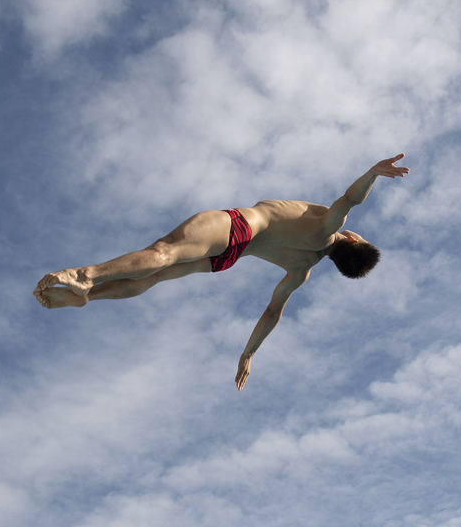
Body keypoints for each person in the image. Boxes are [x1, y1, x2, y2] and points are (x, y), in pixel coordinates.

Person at [34, 154, 409, 390]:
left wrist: (372, 172)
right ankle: (90, 297)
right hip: (228, 259)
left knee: (163, 252)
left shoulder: (327, 225)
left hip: (240, 229)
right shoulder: (303, 269)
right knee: (154, 277)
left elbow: (348, 199)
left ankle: (88, 277)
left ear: (354, 239)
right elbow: (272, 312)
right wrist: (248, 355)